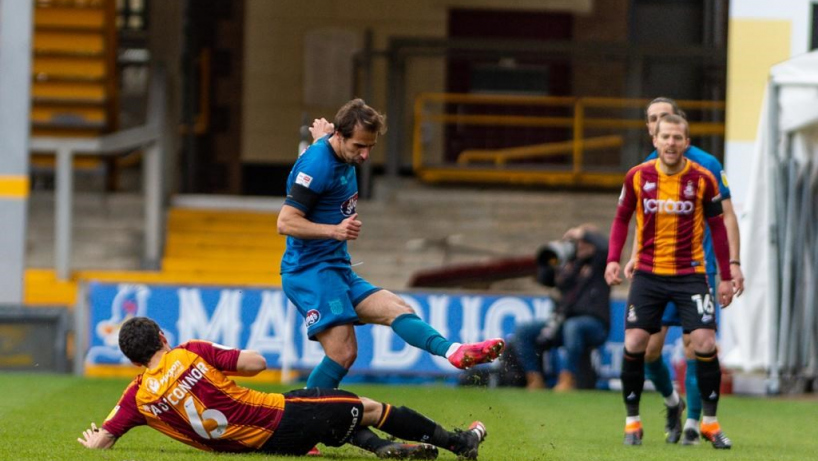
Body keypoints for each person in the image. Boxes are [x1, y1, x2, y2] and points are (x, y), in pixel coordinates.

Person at [277, 98, 505, 391]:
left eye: (370, 146)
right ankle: (301, 424)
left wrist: (322, 136)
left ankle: (454, 352)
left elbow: (329, 149)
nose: (365, 154)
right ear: (341, 136)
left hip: (335, 268)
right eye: (359, 146)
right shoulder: (318, 165)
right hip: (311, 272)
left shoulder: (336, 150)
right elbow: (285, 222)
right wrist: (334, 231)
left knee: (397, 307)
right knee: (343, 353)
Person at [77, 317, 488, 460]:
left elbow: (104, 440)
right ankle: (460, 443)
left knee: (327, 413)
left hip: (261, 445)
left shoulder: (137, 398)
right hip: (277, 418)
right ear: (162, 337)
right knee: (367, 406)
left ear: (132, 361)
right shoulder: (190, 353)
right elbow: (256, 364)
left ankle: (383, 449)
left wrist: (95, 439)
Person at [605, 114, 735, 449]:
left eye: (678, 137)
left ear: (687, 143)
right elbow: (621, 219)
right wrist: (613, 260)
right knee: (636, 343)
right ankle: (633, 422)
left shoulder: (703, 178)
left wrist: (726, 275)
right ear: (655, 141)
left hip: (691, 274)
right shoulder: (637, 176)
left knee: (704, 343)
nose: (671, 143)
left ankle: (708, 422)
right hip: (648, 274)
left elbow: (718, 229)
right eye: (666, 137)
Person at [510, 225, 610, 391]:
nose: (580, 245)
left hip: (594, 324)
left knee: (573, 327)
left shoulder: (601, 264)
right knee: (524, 330)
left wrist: (582, 232)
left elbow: (605, 246)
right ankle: (534, 379)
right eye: (578, 242)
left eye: (585, 242)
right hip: (562, 322)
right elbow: (545, 279)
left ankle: (567, 379)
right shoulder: (571, 265)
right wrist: (552, 257)